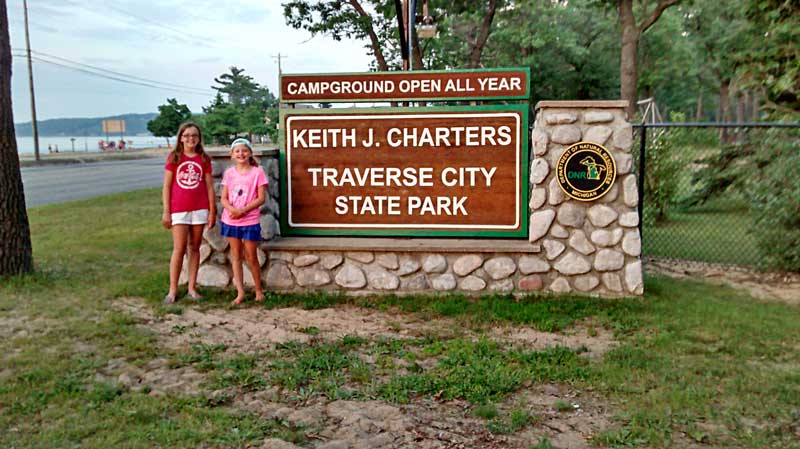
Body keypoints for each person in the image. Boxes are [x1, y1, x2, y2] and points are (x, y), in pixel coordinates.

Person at [162, 122, 216, 304]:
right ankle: (173, 290)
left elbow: (209, 186)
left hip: (199, 208)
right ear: (181, 138)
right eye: (187, 135)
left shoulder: (204, 159)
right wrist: (166, 211)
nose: (190, 139)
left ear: (199, 138)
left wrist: (211, 211)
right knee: (178, 249)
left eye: (194, 135)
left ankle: (192, 287)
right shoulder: (174, 158)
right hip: (179, 209)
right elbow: (167, 186)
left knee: (194, 247)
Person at [220, 138, 267, 305]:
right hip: (231, 220)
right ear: (232, 155)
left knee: (251, 256)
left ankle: (258, 289)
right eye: (237, 151)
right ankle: (240, 291)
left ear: (250, 153)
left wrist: (243, 210)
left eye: (244, 150)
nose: (241, 154)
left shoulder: (257, 172)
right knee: (236, 256)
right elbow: (224, 198)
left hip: (249, 221)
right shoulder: (229, 173)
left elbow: (261, 198)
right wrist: (232, 210)